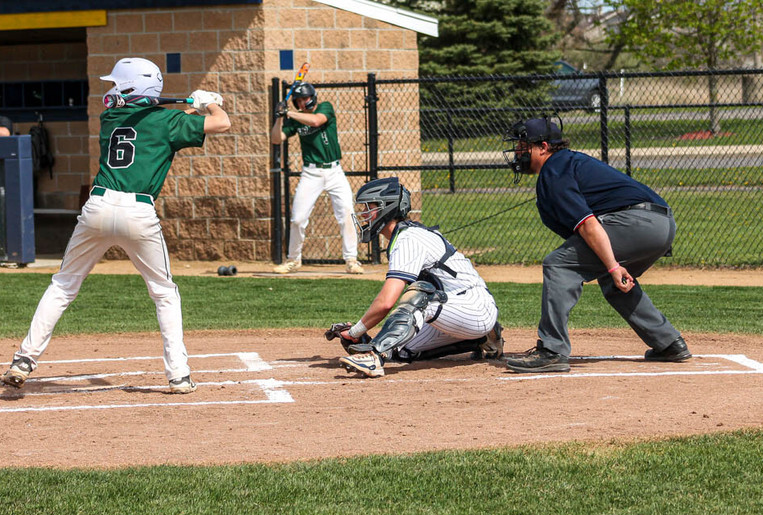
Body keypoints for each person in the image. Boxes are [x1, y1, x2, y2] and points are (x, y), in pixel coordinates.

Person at [0, 57, 230, 394]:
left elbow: (158, 125)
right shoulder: (165, 121)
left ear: (130, 88)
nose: (111, 88)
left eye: (116, 83)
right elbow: (220, 123)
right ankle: (178, 375)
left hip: (97, 208)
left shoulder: (111, 118)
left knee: (63, 285)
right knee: (164, 292)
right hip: (138, 214)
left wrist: (193, 108)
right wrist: (208, 102)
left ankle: (24, 359)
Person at [501, 116, 690, 373]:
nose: (517, 152)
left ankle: (552, 350)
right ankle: (668, 342)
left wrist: (612, 265)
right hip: (660, 224)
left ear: (543, 147)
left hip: (636, 223)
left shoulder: (555, 169)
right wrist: (610, 268)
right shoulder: (566, 164)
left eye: (523, 146)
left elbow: (589, 225)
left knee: (558, 264)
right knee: (611, 280)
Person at [328, 176, 503, 378]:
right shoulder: (403, 236)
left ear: (387, 207)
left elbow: (386, 302)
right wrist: (360, 338)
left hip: (475, 307)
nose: (364, 214)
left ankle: (374, 357)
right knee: (400, 350)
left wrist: (355, 331)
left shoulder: (408, 239)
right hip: (452, 312)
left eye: (370, 207)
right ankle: (482, 339)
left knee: (419, 296)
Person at [270, 81, 363, 274]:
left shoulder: (325, 107)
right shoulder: (296, 119)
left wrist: (288, 113)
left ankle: (352, 260)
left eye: (305, 98)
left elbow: (316, 121)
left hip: (334, 171)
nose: (303, 103)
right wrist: (279, 118)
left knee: (346, 212)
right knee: (297, 218)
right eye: (299, 100)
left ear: (313, 97)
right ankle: (293, 260)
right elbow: (276, 139)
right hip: (311, 173)